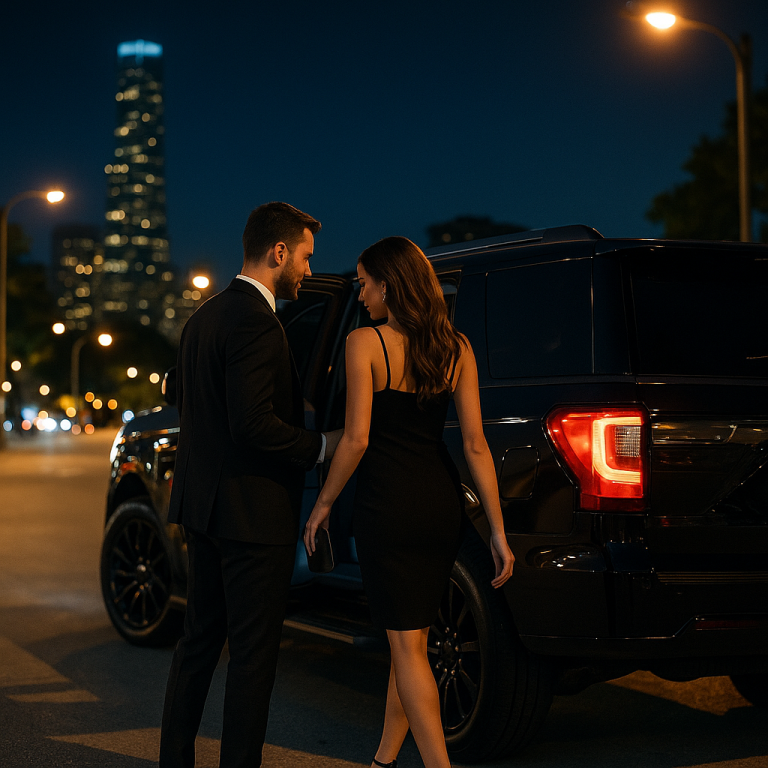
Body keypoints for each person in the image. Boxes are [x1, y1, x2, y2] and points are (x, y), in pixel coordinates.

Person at [304, 236, 515, 768]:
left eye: (364, 281)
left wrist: (323, 504)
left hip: (388, 510)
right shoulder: (456, 347)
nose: (360, 292)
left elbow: (355, 440)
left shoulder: (364, 344)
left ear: (389, 284)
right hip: (441, 507)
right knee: (412, 644)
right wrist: (496, 530)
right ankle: (383, 759)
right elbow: (474, 445)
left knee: (406, 649)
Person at [160, 201, 341, 768]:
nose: (309, 270)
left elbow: (180, 395)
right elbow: (253, 424)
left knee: (197, 645)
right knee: (253, 658)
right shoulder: (259, 324)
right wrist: (322, 446)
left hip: (202, 509)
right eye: (306, 257)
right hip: (252, 516)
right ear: (278, 252)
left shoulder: (204, 316)